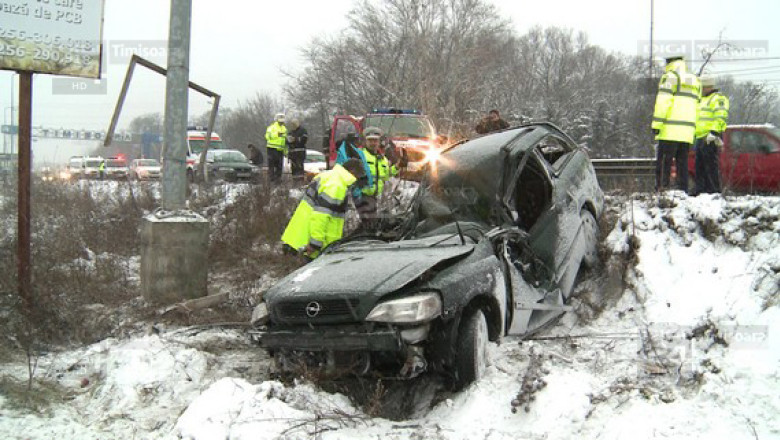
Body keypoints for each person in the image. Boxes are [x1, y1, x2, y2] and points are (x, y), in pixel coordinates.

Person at [281, 158, 367, 259]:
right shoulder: (336, 186)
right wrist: (315, 244)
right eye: (357, 177)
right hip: (309, 246)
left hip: (298, 238)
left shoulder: (329, 176)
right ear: (352, 172)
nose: (356, 181)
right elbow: (321, 216)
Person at [651, 55, 701, 193]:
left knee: (664, 162)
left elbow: (663, 102)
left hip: (670, 130)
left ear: (669, 63)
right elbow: (698, 106)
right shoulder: (694, 80)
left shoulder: (670, 77)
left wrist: (657, 124)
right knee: (682, 163)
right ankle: (682, 191)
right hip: (687, 132)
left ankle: (662, 189)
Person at [336, 126, 399, 227]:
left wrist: (397, 166)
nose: (373, 143)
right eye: (370, 140)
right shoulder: (360, 155)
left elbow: (386, 175)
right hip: (361, 196)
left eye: (375, 141)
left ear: (379, 142)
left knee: (372, 224)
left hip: (375, 197)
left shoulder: (382, 159)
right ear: (365, 141)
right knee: (365, 224)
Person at [693, 76, 729, 195]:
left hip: (710, 136)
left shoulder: (718, 99)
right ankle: (701, 189)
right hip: (700, 137)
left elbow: (720, 117)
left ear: (708, 86)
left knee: (710, 165)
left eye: (703, 87)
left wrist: (714, 132)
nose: (701, 90)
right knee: (700, 166)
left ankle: (713, 190)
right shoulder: (702, 100)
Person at [265, 113, 287, 183]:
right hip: (272, 149)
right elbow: (267, 136)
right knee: (271, 166)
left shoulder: (284, 129)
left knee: (279, 166)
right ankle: (271, 180)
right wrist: (277, 135)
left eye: (282, 121)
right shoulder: (271, 128)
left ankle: (278, 180)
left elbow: (285, 141)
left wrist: (286, 151)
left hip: (280, 150)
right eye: (280, 121)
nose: (281, 123)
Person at [286, 118, 309, 183]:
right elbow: (287, 141)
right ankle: (295, 183)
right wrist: (288, 140)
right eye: (292, 124)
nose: (293, 125)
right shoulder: (290, 132)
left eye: (294, 124)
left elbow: (304, 140)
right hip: (292, 155)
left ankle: (300, 183)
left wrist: (295, 139)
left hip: (300, 154)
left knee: (299, 169)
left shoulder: (303, 131)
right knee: (293, 170)